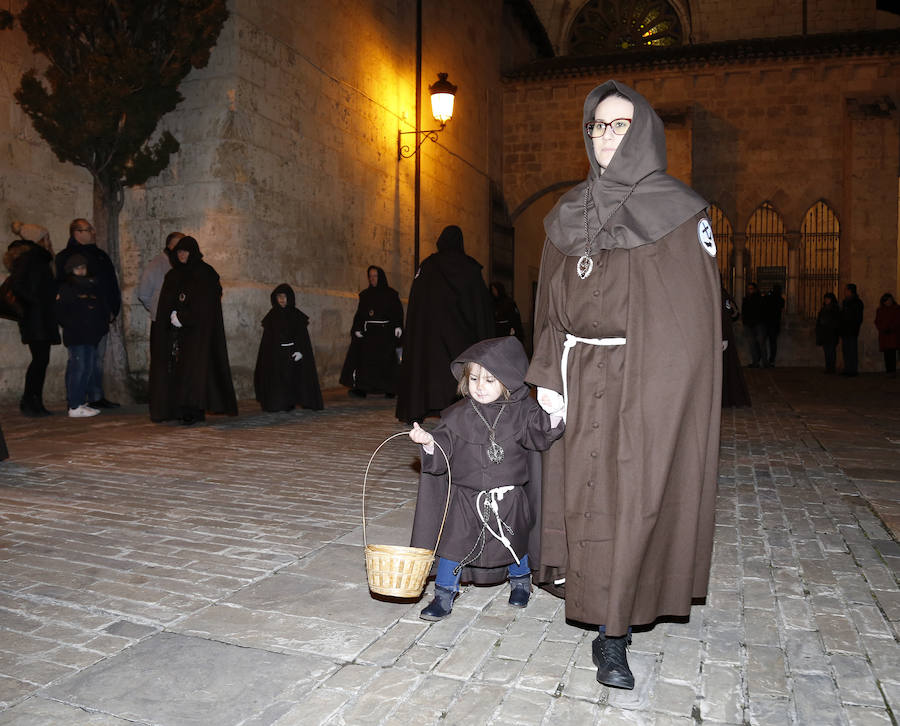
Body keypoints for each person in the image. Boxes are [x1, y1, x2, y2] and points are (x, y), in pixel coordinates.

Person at [525, 81, 722, 691]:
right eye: (596, 127)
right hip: (577, 374)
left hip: (644, 382)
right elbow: (548, 310)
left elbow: (691, 323)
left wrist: (659, 393)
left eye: (617, 126)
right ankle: (586, 591)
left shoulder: (678, 213)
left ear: (643, 133)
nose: (604, 138)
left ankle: (615, 634)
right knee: (583, 496)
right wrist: (546, 374)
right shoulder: (565, 214)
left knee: (631, 496)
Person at [408, 336, 564, 620]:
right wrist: (429, 442)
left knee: (515, 544)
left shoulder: (523, 412)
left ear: (509, 379)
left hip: (510, 497)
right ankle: (444, 593)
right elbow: (443, 445)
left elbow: (540, 434)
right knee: (453, 545)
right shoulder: (458, 415)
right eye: (474, 378)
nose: (479, 387)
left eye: (490, 380)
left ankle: (520, 582)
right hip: (466, 497)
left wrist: (555, 412)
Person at [395, 225, 494, 423]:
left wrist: (414, 334)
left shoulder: (428, 266)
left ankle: (419, 409)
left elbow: (416, 305)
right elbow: (480, 308)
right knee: (455, 375)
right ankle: (460, 412)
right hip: (460, 338)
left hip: (429, 339)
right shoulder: (470, 268)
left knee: (429, 373)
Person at [156, 236, 238, 424]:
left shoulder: (205, 273)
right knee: (177, 372)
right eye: (179, 252)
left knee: (194, 374)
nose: (182, 255)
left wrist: (184, 318)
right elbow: (166, 302)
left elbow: (207, 303)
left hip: (198, 335)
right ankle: (179, 409)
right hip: (176, 335)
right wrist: (170, 319)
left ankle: (194, 410)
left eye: (185, 251)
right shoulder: (173, 275)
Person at [55, 219, 121, 408]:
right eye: (88, 229)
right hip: (80, 321)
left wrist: (110, 309)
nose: (93, 232)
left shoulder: (99, 255)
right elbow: (63, 290)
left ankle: (95, 396)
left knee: (96, 359)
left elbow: (108, 286)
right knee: (79, 361)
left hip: (100, 316)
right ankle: (76, 400)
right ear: (77, 233)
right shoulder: (67, 257)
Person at [5, 222, 60, 416]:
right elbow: (18, 286)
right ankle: (30, 400)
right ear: (37, 239)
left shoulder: (39, 258)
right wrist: (37, 303)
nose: (48, 241)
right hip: (35, 318)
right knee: (39, 360)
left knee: (41, 360)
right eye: (45, 237)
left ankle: (34, 400)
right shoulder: (30, 258)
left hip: (39, 317)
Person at [254, 283, 323, 411]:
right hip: (276, 354)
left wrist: (300, 351)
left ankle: (290, 402)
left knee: (292, 379)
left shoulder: (297, 316)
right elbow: (267, 340)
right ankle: (276, 403)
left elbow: (302, 337)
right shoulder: (271, 316)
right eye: (279, 296)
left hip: (292, 353)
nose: (282, 299)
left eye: (284, 296)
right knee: (277, 380)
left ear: (290, 298)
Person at [55, 255, 109, 418]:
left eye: (83, 267)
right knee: (78, 368)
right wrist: (75, 324)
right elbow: (61, 312)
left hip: (91, 335)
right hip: (77, 335)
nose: (81, 270)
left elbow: (99, 307)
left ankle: (80, 401)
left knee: (88, 368)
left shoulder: (92, 285)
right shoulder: (67, 288)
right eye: (77, 268)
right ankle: (74, 404)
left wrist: (100, 326)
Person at [138, 232, 183, 421]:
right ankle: (162, 406)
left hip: (176, 322)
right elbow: (144, 293)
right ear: (171, 246)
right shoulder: (157, 264)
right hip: (162, 322)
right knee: (162, 364)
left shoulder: (178, 266)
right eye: (180, 246)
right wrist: (158, 309)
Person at [339, 266, 403, 398]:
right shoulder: (365, 295)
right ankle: (362, 388)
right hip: (369, 334)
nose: (372, 279)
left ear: (381, 277)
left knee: (386, 362)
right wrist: (357, 328)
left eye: (375, 276)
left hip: (385, 334)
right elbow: (360, 315)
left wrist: (398, 326)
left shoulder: (391, 294)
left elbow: (397, 312)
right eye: (370, 276)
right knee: (365, 362)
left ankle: (389, 388)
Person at [721, 285, 751, 407]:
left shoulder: (722, 295)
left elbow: (730, 314)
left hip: (723, 336)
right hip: (724, 335)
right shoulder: (724, 294)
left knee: (726, 367)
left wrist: (723, 336)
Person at [839, 283, 864, 376]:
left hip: (852, 330)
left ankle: (853, 370)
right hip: (845, 330)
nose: (845, 292)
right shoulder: (845, 302)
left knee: (852, 350)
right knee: (846, 350)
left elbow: (858, 318)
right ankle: (847, 369)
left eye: (846, 290)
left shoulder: (857, 302)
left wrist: (853, 326)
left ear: (851, 291)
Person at [874, 292, 900, 377]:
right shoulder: (880, 310)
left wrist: (891, 328)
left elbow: (897, 321)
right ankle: (888, 370)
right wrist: (882, 328)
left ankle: (892, 371)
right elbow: (877, 321)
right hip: (884, 334)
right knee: (886, 353)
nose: (888, 302)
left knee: (892, 353)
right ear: (884, 302)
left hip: (893, 334)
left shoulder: (896, 309)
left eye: (890, 300)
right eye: (887, 300)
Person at [741, 282, 766, 367]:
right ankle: (755, 362)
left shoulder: (759, 298)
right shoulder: (746, 299)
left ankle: (765, 362)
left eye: (751, 288)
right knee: (752, 344)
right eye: (748, 289)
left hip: (758, 323)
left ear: (755, 289)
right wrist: (745, 321)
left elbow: (762, 311)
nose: (750, 290)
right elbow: (744, 311)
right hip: (749, 324)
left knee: (761, 343)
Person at [815, 292, 841, 373]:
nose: (826, 300)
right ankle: (828, 367)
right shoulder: (823, 309)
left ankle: (832, 368)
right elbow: (819, 320)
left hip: (832, 332)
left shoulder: (835, 309)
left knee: (831, 350)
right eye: (825, 298)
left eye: (828, 298)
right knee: (826, 351)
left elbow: (836, 321)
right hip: (824, 332)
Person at [762, 284, 785, 366]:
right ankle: (771, 361)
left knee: (764, 342)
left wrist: (768, 294)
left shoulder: (769, 297)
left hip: (767, 322)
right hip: (775, 323)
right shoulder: (780, 299)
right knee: (772, 343)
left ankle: (764, 360)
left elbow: (764, 303)